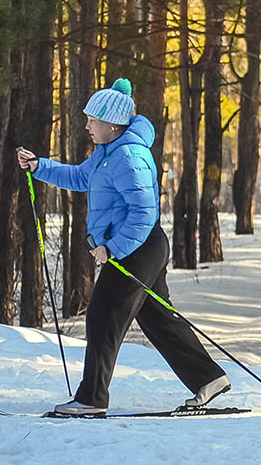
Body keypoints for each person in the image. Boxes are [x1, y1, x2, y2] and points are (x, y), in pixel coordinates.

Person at [17, 78, 230, 417]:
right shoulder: (106, 153)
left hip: (138, 247)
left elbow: (145, 212)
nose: (86, 125)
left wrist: (113, 248)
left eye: (92, 120)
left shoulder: (129, 156)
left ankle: (91, 399)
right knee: (158, 318)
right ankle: (210, 378)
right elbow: (78, 178)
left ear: (112, 124)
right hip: (141, 246)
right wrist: (39, 166)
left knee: (103, 315)